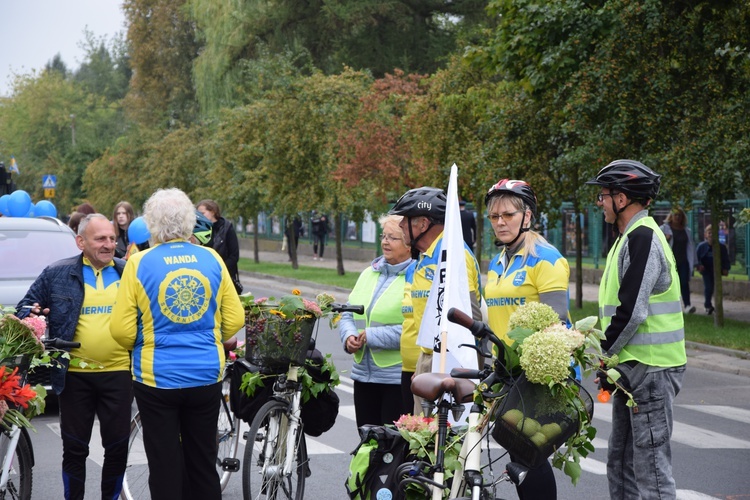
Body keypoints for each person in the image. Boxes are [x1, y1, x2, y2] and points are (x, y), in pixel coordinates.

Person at [110, 188, 245, 500]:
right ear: (189, 222)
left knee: (164, 464)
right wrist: (209, 334)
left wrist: (142, 341)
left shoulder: (138, 263)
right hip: (204, 375)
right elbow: (235, 318)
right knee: (202, 462)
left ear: (152, 225)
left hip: (157, 379)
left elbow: (121, 330)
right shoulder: (211, 258)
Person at [586, 159, 687, 499]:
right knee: (620, 463)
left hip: (652, 371)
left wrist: (601, 355)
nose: (600, 202)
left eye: (604, 195)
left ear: (623, 198)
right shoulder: (628, 237)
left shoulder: (643, 237)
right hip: (631, 370)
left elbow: (631, 312)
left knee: (652, 473)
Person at [16, 213, 131, 500]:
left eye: (112, 238)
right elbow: (23, 309)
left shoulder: (128, 272)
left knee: (117, 447)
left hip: (119, 373)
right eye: (100, 238)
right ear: (80, 241)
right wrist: (32, 316)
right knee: (75, 448)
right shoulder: (56, 273)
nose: (108, 245)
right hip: (74, 376)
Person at [483, 178, 569, 500]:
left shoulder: (546, 258)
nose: (501, 222)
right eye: (495, 217)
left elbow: (557, 321)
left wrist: (532, 367)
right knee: (518, 456)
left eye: (508, 214)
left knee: (528, 455)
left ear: (527, 217)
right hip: (507, 372)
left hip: (535, 376)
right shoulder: (498, 261)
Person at [388, 187, 482, 414]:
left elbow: (472, 316)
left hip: (450, 363)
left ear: (422, 223)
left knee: (442, 442)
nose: (400, 226)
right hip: (429, 357)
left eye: (405, 220)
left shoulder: (452, 253)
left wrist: (462, 369)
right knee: (421, 438)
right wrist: (422, 363)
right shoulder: (425, 257)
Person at [338, 214, 413, 427]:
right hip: (363, 376)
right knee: (367, 444)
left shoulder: (416, 277)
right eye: (383, 236)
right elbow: (347, 312)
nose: (385, 242)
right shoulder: (368, 273)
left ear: (409, 244)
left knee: (392, 447)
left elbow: (414, 327)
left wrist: (371, 336)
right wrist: (349, 336)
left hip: (395, 379)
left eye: (393, 238)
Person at [196, 199, 242, 294]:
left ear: (213, 212)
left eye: (203, 213)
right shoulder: (199, 230)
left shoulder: (227, 228)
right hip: (205, 276)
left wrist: (219, 270)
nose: (200, 217)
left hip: (224, 276)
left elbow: (234, 256)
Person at [660, 207, 696, 313]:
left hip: (683, 261)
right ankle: (670, 305)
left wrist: (695, 262)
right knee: (670, 284)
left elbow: (691, 247)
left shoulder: (686, 230)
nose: (677, 217)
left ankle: (687, 305)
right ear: (671, 216)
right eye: (675, 215)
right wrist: (666, 239)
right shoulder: (664, 228)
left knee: (684, 283)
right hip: (670, 262)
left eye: (679, 215)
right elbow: (656, 242)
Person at [695, 224, 730, 315]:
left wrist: (726, 268)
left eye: (713, 233)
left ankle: (718, 306)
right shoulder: (701, 246)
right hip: (706, 270)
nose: (711, 235)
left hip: (717, 270)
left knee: (717, 287)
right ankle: (708, 305)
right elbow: (696, 258)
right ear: (706, 234)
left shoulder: (721, 247)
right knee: (708, 287)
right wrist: (699, 266)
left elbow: (725, 258)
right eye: (709, 233)